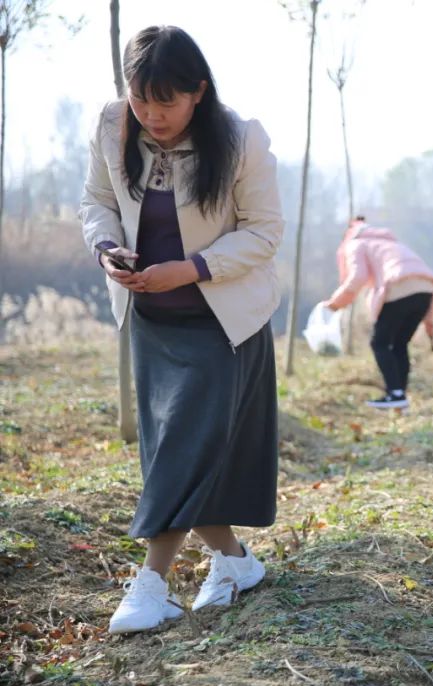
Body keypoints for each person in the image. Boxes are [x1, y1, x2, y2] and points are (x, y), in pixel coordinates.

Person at [80, 26, 284, 634]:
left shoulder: (242, 140)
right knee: (176, 453)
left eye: (165, 102)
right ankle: (235, 562)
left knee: (183, 447)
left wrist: (191, 269)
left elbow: (265, 232)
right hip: (151, 320)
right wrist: (107, 249)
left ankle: (151, 585)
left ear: (198, 91)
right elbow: (96, 202)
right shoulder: (113, 125)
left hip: (222, 320)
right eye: (141, 101)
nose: (151, 116)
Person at [324, 217, 433, 409]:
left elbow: (357, 277)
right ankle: (399, 395)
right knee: (399, 344)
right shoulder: (392, 243)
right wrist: (430, 320)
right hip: (426, 292)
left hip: (398, 289)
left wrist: (335, 304)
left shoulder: (357, 243)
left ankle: (395, 394)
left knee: (379, 343)